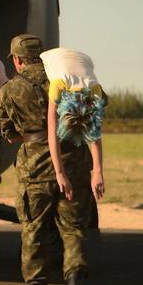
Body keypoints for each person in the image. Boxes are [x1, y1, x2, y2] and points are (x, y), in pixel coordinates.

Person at [0, 34, 95, 285]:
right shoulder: (65, 78)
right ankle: (74, 283)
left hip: (35, 169)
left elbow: (9, 133)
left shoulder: (9, 89)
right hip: (73, 161)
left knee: (33, 230)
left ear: (17, 60)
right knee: (72, 227)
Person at [40, 47, 107, 204]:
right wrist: (60, 173)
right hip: (52, 57)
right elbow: (52, 132)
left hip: (85, 59)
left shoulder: (95, 90)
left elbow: (95, 136)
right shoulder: (57, 85)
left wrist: (98, 172)